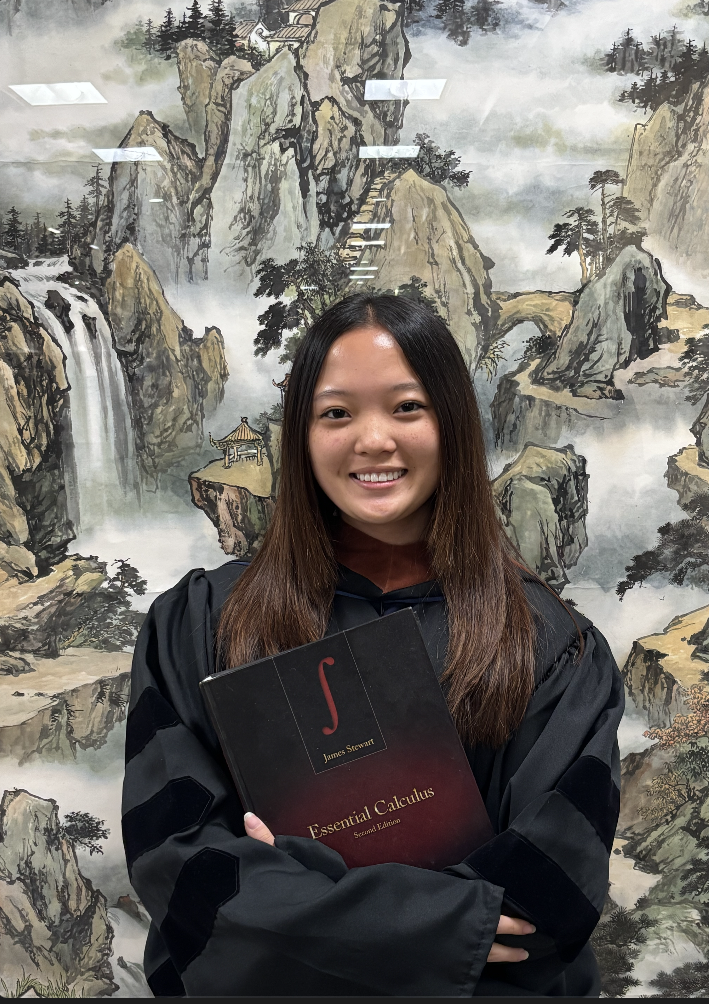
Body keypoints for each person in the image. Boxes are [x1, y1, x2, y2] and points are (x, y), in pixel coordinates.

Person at [122, 294, 624, 998]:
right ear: (300, 434)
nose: (373, 440)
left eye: (407, 407)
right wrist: (446, 926)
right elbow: (180, 874)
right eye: (336, 413)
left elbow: (545, 904)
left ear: (452, 423)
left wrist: (290, 903)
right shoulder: (201, 623)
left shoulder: (550, 647)